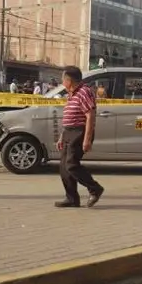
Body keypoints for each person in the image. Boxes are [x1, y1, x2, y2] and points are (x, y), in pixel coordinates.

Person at [55, 66, 104, 208]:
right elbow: (70, 118)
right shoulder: (72, 94)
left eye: (63, 79)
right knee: (64, 168)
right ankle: (71, 199)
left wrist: (87, 139)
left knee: (71, 164)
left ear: (69, 80)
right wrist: (62, 137)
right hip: (69, 132)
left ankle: (95, 188)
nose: (62, 82)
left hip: (79, 132)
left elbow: (90, 115)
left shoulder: (84, 92)